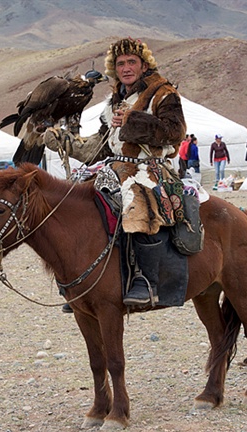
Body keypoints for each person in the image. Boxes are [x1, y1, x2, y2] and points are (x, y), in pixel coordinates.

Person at [44, 37, 187, 308]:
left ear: (144, 65)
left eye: (132, 62)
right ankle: (83, 281)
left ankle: (146, 281)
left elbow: (174, 131)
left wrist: (133, 120)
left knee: (137, 204)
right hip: (114, 167)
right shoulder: (114, 102)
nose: (126, 68)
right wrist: (66, 142)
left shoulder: (163, 94)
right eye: (120, 63)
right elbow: (100, 147)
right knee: (74, 201)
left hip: (150, 167)